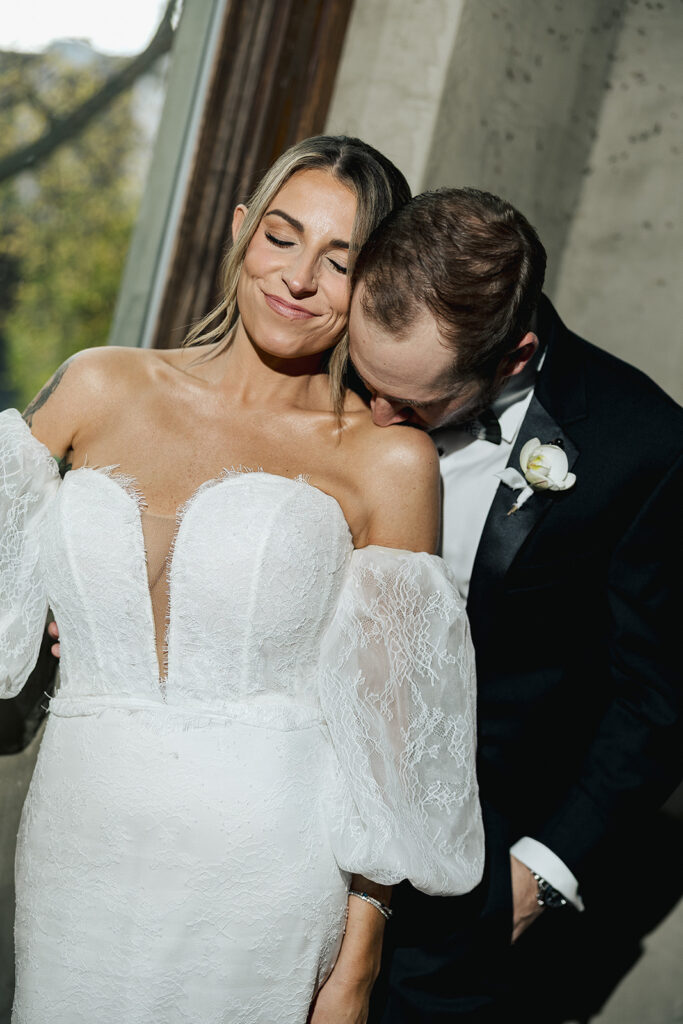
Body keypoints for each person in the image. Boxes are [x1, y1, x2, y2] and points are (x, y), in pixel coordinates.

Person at [0, 139, 485, 1024]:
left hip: (262, 864)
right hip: (78, 841)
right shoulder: (97, 383)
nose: (298, 278)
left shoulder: (387, 462)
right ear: (240, 232)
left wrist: (358, 964)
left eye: (339, 262)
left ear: (374, 290)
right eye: (282, 236)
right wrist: (38, 628)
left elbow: (392, 739)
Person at [345, 187, 683, 1023]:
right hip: (290, 829)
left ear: (512, 356)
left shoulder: (639, 445)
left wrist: (540, 874)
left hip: (460, 894)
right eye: (366, 380)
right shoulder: (324, 364)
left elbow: (657, 694)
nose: (376, 418)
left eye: (415, 405)